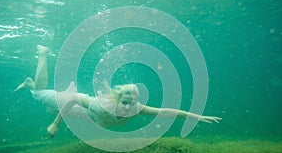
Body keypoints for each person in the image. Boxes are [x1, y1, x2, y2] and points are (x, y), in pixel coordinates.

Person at [14, 45, 222, 137]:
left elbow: (166, 111)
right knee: (39, 95)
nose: (128, 107)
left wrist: (197, 116)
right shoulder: (102, 104)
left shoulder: (136, 108)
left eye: (132, 102)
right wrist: (55, 124)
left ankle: (30, 83)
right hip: (73, 104)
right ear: (117, 98)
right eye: (125, 102)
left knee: (38, 93)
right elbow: (72, 101)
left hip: (86, 117)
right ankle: (43, 54)